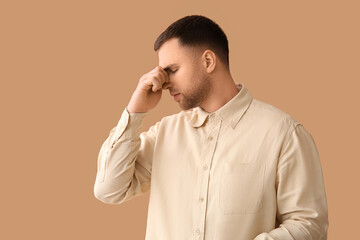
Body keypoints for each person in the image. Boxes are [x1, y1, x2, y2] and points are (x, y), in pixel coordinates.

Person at [93, 15, 329, 240]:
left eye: (172, 70)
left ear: (208, 61)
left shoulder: (284, 134)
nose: (164, 83)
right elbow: (109, 190)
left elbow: (309, 224)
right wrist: (135, 112)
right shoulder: (164, 134)